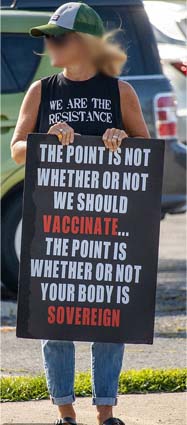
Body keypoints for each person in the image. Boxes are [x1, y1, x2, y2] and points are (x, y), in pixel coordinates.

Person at [10, 2, 150, 425]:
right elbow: (17, 149)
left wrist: (121, 137)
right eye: (48, 37)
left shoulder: (119, 91)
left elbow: (146, 150)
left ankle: (106, 414)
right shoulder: (42, 91)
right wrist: (44, 140)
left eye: (57, 37)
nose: (48, 45)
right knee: (56, 321)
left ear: (84, 44)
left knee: (109, 319)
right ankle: (65, 414)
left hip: (108, 222)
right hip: (54, 222)